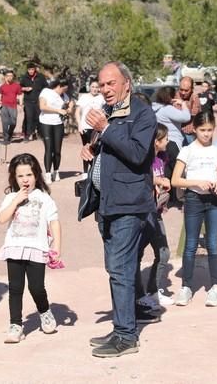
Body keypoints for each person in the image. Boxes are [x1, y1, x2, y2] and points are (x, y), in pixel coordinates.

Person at [80, 61, 156, 358]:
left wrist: (105, 128)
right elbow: (111, 149)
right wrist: (91, 149)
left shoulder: (142, 113)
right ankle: (121, 327)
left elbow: (138, 154)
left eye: (111, 83)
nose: (105, 89)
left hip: (128, 204)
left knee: (121, 270)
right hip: (107, 203)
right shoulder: (110, 112)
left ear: (127, 83)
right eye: (101, 84)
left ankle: (126, 336)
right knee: (116, 269)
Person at [0, 153, 61, 343]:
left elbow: (54, 222)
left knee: (37, 288)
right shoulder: (10, 197)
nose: (25, 180)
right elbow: (1, 219)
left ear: (37, 176)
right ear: (14, 178)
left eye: (29, 175)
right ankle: (16, 325)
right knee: (15, 288)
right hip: (15, 247)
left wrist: (56, 247)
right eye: (20, 176)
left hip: (37, 248)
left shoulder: (44, 198)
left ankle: (45, 311)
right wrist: (16, 200)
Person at [171, 111, 217, 308]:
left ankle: (215, 286)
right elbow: (175, 180)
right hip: (194, 199)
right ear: (194, 129)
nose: (206, 134)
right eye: (202, 130)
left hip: (213, 200)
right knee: (191, 244)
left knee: (212, 243)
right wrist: (197, 183)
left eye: (210, 130)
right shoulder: (187, 150)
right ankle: (186, 285)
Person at [136, 124, 174, 310]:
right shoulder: (145, 159)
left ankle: (153, 289)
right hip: (143, 215)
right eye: (165, 138)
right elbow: (141, 176)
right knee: (136, 254)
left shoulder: (162, 158)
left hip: (156, 213)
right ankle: (138, 295)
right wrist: (158, 181)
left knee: (164, 253)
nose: (168, 141)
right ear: (156, 142)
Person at [152, 86, 190, 181]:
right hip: (173, 143)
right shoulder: (167, 109)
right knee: (177, 171)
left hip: (163, 141)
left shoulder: (155, 107)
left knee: (166, 170)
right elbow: (186, 117)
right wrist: (183, 105)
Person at [39, 78, 72, 183]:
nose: (64, 92)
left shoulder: (64, 96)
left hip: (58, 124)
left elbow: (70, 102)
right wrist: (58, 110)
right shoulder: (46, 92)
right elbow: (42, 106)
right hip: (46, 123)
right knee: (49, 149)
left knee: (57, 150)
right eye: (64, 89)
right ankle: (48, 173)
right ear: (59, 86)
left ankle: (56, 171)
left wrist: (69, 108)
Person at [75, 78, 105, 178]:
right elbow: (77, 112)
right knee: (86, 148)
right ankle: (85, 172)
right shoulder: (84, 97)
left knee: (97, 149)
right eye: (93, 87)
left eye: (97, 87)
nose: (94, 89)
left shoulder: (102, 98)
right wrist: (79, 125)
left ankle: (94, 170)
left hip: (97, 127)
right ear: (89, 87)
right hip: (85, 127)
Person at [20, 61, 48, 141]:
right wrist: (25, 89)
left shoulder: (40, 77)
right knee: (29, 117)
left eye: (32, 69)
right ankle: (28, 134)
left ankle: (39, 134)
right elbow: (20, 87)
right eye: (29, 70)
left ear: (35, 69)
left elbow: (46, 87)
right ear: (27, 70)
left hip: (38, 101)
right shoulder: (24, 77)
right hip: (28, 101)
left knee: (38, 117)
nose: (31, 71)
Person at [0, 69, 23, 143]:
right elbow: (0, 94)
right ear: (5, 77)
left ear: (13, 77)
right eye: (8, 76)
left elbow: (20, 94)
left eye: (11, 76)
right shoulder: (2, 86)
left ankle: (10, 134)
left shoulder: (17, 86)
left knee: (13, 122)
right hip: (4, 106)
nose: (10, 77)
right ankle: (6, 138)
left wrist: (21, 104)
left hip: (13, 106)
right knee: (5, 123)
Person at [178, 76, 201, 145]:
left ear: (191, 89)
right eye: (181, 90)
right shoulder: (176, 96)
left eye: (186, 90)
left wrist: (183, 105)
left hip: (189, 134)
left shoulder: (194, 97)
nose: (183, 93)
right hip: (176, 133)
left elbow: (192, 113)